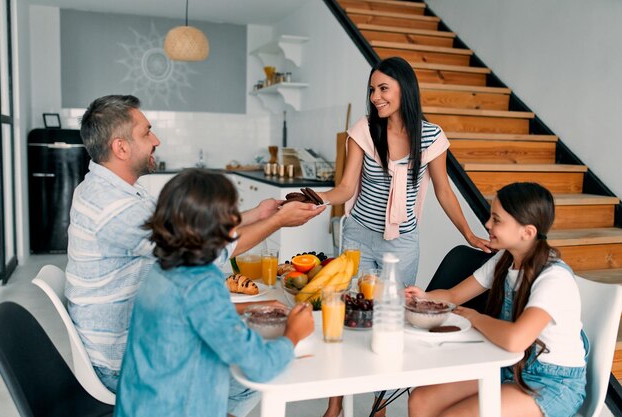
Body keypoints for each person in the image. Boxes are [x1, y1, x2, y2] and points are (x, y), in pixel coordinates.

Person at [65, 95, 325, 416]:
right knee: (251, 373)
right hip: (120, 363)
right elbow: (204, 251)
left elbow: (189, 233)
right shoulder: (117, 208)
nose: (156, 140)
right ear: (120, 147)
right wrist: (276, 222)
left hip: (138, 358)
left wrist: (258, 213)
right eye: (147, 133)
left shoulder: (111, 190)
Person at [320, 57, 490, 417]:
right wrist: (313, 198)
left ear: (404, 90)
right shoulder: (364, 130)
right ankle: (335, 402)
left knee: (390, 320)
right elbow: (346, 188)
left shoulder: (431, 137)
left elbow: (444, 191)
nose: (376, 97)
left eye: (383, 88)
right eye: (372, 89)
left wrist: (469, 233)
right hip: (359, 237)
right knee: (350, 318)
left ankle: (378, 404)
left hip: (403, 243)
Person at [114, 169, 314, 417]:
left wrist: (246, 308)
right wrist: (294, 333)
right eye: (231, 211)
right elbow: (259, 365)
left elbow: (188, 314)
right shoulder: (202, 284)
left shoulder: (163, 269)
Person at [406, 182, 587, 417]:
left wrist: (475, 317)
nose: (487, 224)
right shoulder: (505, 259)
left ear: (527, 232)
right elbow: (454, 296)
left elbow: (515, 340)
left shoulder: (553, 278)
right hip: (509, 365)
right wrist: (422, 297)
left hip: (553, 383)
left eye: (497, 220)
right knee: (421, 400)